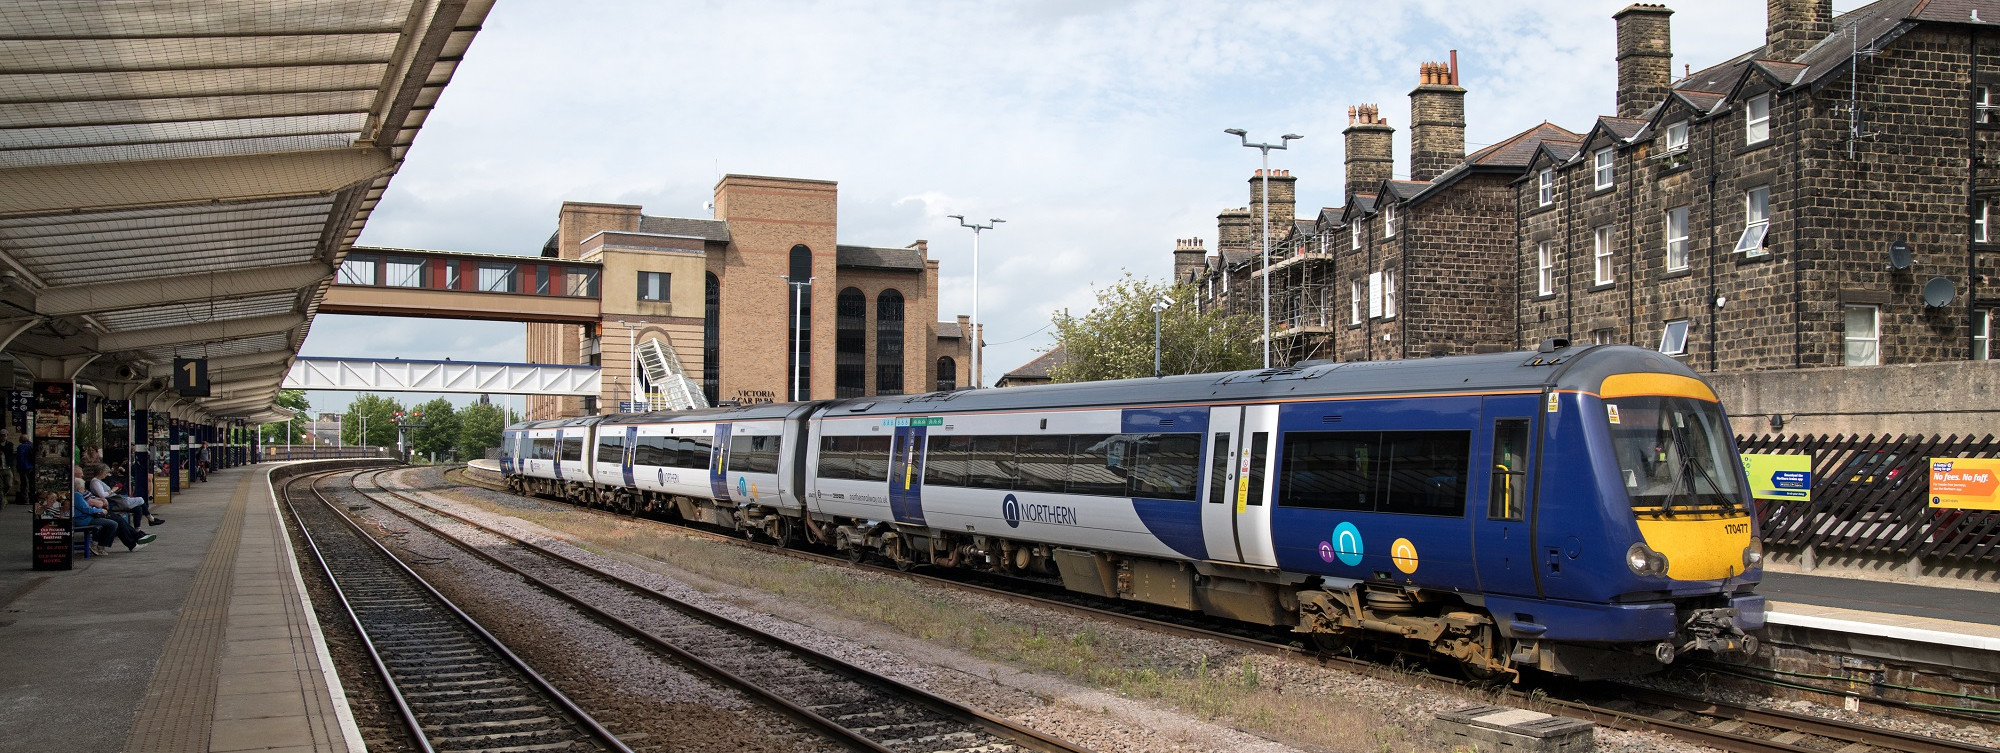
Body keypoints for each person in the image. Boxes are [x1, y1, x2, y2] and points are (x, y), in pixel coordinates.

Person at [73, 486, 151, 554]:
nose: (84, 489)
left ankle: (135, 540)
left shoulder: (80, 495)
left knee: (118, 519)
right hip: (87, 518)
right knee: (115, 522)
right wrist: (99, 510)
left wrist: (99, 503)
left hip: (92, 514)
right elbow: (86, 509)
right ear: (79, 488)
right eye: (82, 487)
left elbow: (90, 504)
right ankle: (133, 542)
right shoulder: (77, 495)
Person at [86, 463, 160, 526]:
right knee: (140, 499)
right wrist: (112, 490)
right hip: (113, 502)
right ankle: (151, 519)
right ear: (101, 472)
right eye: (105, 473)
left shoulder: (97, 481)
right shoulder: (95, 482)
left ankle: (139, 529)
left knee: (138, 508)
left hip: (114, 500)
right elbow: (102, 494)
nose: (106, 475)